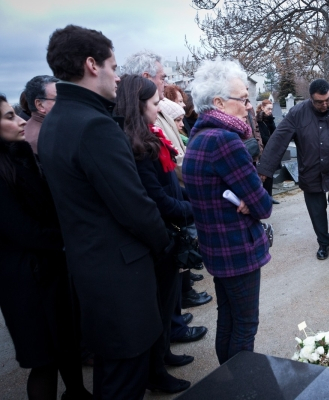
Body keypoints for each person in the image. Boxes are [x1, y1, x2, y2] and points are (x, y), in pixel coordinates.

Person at [37, 25, 170, 399]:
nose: (118, 75)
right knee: (124, 378)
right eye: (113, 66)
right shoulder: (95, 125)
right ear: (92, 65)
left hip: (91, 267)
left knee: (114, 372)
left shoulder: (58, 120)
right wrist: (164, 242)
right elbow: (133, 205)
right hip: (119, 277)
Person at [114, 75, 204, 394]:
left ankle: (163, 354)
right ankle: (156, 371)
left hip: (170, 228)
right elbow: (157, 198)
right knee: (157, 308)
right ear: (138, 106)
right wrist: (195, 209)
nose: (158, 110)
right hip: (159, 236)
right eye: (154, 104)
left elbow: (169, 185)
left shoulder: (149, 135)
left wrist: (186, 202)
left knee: (166, 305)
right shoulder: (134, 146)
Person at [0, 94, 91, 400]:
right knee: (44, 360)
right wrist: (66, 239)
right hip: (25, 277)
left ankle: (77, 393)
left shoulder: (20, 155)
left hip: (50, 267)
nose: (20, 120)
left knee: (66, 346)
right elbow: (21, 230)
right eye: (9, 116)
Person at [183, 59, 272, 364]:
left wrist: (250, 197)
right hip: (237, 249)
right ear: (218, 102)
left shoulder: (200, 135)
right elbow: (262, 206)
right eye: (243, 98)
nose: (248, 106)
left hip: (217, 248)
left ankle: (227, 383)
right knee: (244, 326)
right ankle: (240, 388)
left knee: (229, 319)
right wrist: (253, 199)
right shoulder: (225, 141)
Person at [258, 79, 329, 263]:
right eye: (319, 102)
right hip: (311, 172)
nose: (325, 104)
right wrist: (264, 169)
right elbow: (278, 139)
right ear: (311, 99)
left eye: (327, 100)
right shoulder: (297, 113)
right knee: (317, 212)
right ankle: (323, 243)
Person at [121, 51, 186, 184]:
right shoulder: (144, 120)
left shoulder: (161, 111)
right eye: (162, 78)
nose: (166, 84)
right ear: (146, 77)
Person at [23, 75, 59, 154]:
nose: (67, 103)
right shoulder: (48, 138)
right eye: (59, 99)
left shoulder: (28, 130)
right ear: (40, 105)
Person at [256, 99, 277, 199]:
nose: (270, 111)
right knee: (264, 175)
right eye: (268, 109)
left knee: (271, 173)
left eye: (271, 109)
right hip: (264, 149)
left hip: (271, 149)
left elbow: (275, 133)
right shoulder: (258, 120)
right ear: (262, 107)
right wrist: (272, 141)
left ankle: (270, 196)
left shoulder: (270, 120)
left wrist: (271, 120)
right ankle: (265, 197)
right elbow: (262, 136)